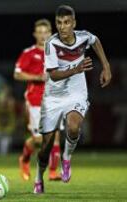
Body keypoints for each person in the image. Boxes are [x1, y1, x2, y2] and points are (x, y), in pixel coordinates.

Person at [34, 5, 112, 194]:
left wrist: (106, 66)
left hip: (76, 92)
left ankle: (66, 158)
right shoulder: (51, 44)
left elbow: (96, 41)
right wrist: (75, 69)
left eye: (67, 22)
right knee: (46, 146)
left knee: (74, 126)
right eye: (59, 23)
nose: (62, 26)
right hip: (53, 97)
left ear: (73, 23)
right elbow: (53, 75)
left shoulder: (84, 36)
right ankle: (38, 177)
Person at [14, 19, 61, 181]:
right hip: (35, 100)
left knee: (54, 136)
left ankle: (53, 172)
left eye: (45, 32)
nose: (42, 35)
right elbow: (17, 74)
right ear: (35, 34)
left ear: (50, 34)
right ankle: (24, 159)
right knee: (39, 139)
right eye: (39, 32)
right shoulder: (29, 53)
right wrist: (37, 77)